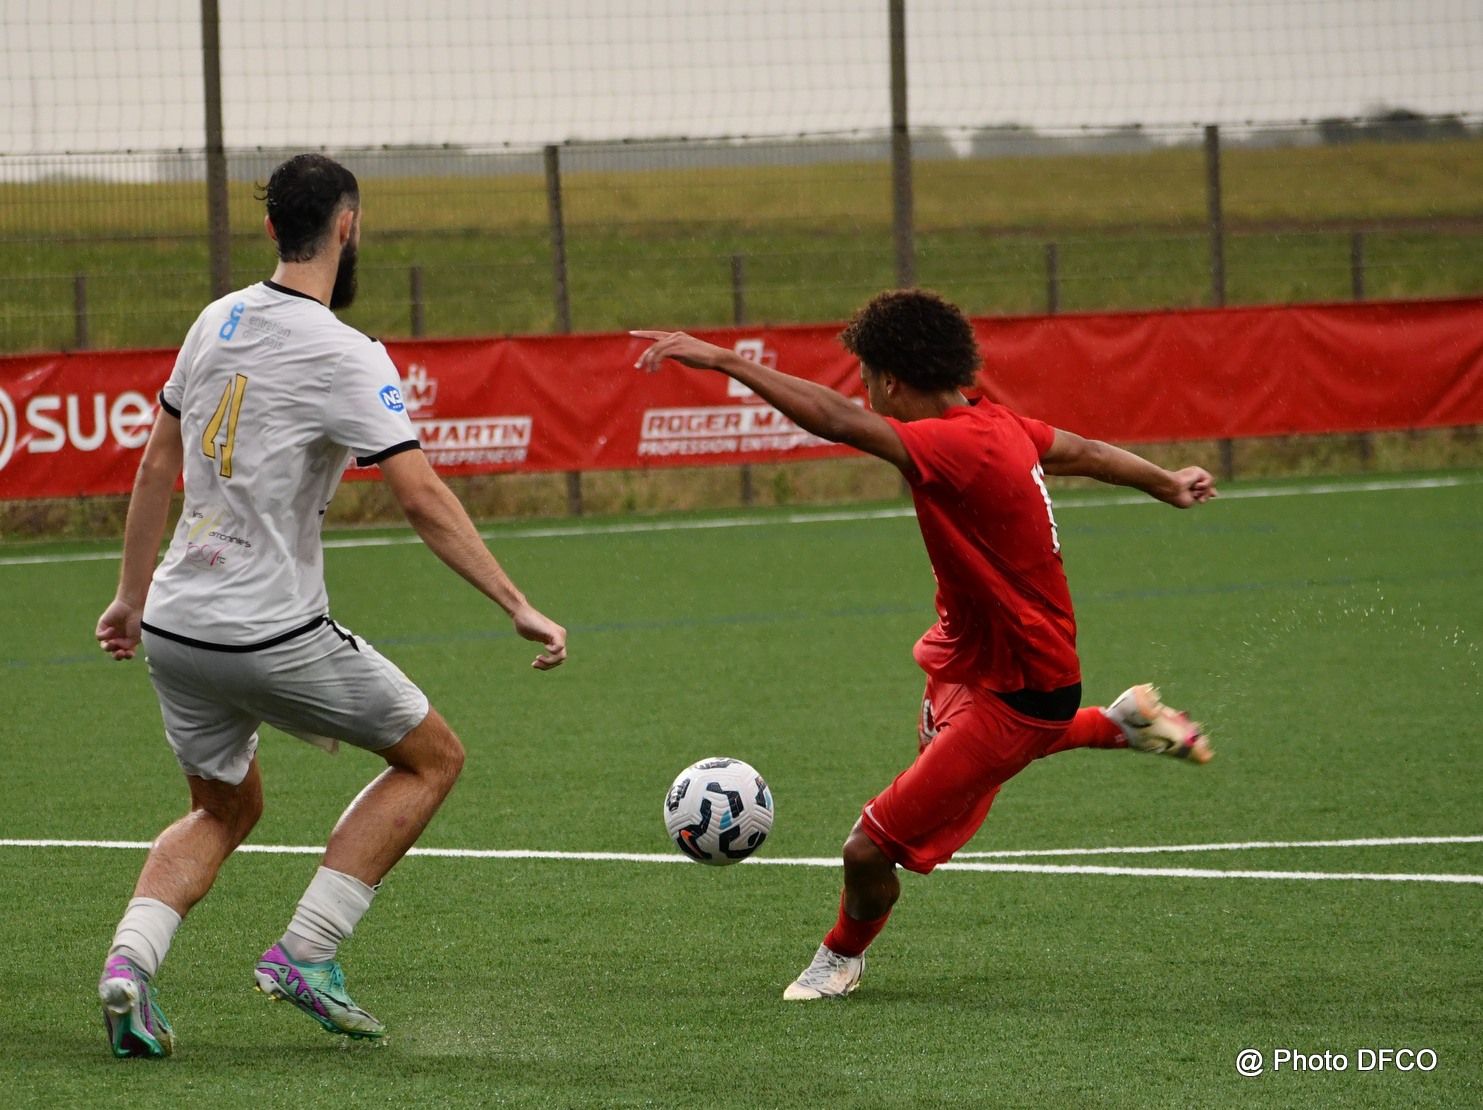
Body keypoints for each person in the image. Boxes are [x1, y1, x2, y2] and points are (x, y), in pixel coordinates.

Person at [94, 153, 567, 1056]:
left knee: (221, 809)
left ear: (274, 227)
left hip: (174, 626)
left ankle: (129, 967)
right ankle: (306, 952)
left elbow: (156, 464)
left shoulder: (216, 319)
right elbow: (421, 496)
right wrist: (517, 603)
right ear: (347, 227)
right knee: (432, 758)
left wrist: (127, 596)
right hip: (269, 630)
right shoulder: (349, 353)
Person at [632, 289, 1214, 1001]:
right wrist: (1166, 482)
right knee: (953, 759)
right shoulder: (999, 424)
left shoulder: (956, 444)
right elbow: (1085, 452)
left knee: (867, 847)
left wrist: (726, 361)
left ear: (892, 381)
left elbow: (834, 419)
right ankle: (1119, 725)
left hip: (1024, 690)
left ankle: (840, 958)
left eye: (867, 381)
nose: (865, 396)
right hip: (976, 658)